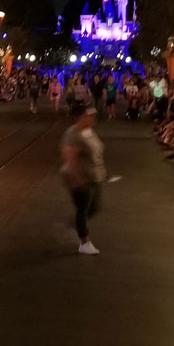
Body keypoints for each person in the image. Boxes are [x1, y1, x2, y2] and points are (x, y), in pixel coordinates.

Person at [61, 104, 107, 255]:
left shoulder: (88, 131)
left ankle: (74, 226)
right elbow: (70, 159)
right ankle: (84, 242)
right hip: (81, 179)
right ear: (81, 117)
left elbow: (96, 151)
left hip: (94, 176)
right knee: (83, 209)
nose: (92, 118)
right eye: (89, 115)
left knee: (94, 208)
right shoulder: (74, 134)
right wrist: (76, 180)